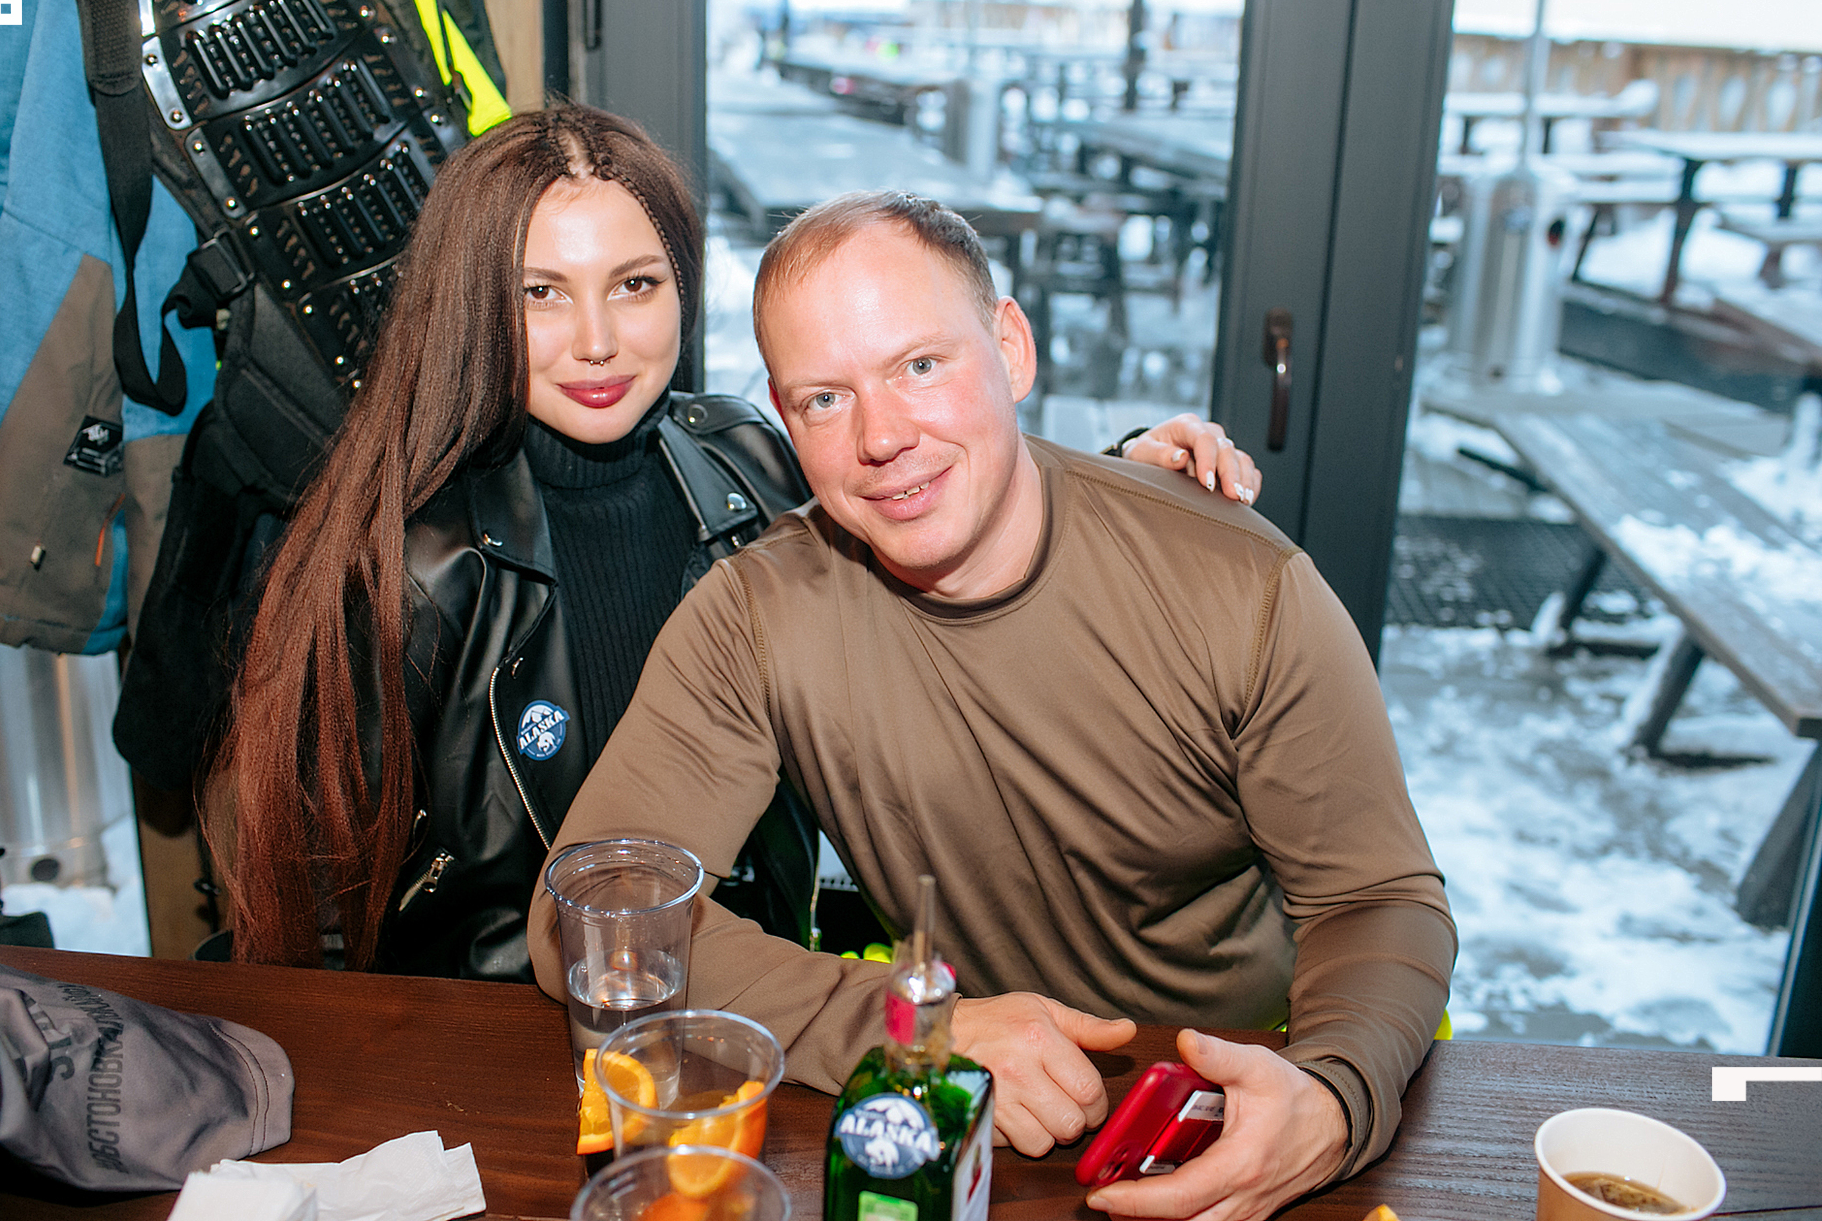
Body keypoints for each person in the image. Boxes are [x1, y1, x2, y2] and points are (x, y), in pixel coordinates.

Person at [527, 190, 1455, 1221]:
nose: (883, 436)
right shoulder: (757, 614)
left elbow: (1378, 899)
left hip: (1239, 1099)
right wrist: (913, 1026)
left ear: (1011, 349)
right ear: (786, 420)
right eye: (826, 399)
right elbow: (588, 917)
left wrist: (1331, 1099)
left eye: (921, 366)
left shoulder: (1241, 585)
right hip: (984, 1128)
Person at [209, 107, 1260, 981]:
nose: (597, 342)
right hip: (510, 1050)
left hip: (752, 1018)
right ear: (474, 304)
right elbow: (322, 929)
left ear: (684, 286)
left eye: (635, 284)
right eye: (541, 293)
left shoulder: (748, 463)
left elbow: (924, 515)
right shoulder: (406, 564)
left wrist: (1115, 476)